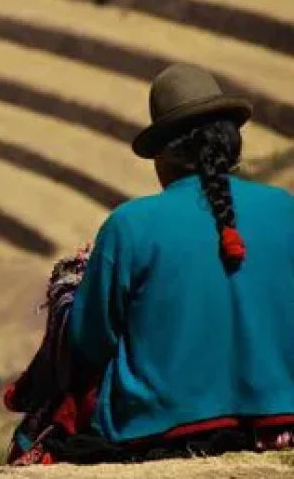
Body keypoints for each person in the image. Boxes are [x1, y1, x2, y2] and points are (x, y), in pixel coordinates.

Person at [67, 63, 294, 458]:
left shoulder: (129, 225)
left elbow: (88, 341)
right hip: (282, 422)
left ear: (165, 156)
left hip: (161, 435)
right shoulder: (284, 208)